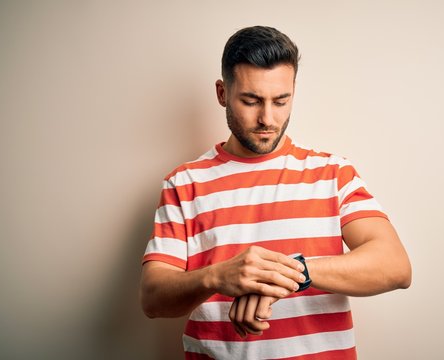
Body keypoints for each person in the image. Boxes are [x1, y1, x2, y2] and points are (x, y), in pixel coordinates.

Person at [140, 25, 411, 359]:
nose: (267, 118)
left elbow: (396, 266)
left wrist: (290, 273)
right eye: (251, 101)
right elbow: (152, 299)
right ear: (222, 93)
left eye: (281, 101)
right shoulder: (183, 184)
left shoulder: (332, 173)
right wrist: (217, 276)